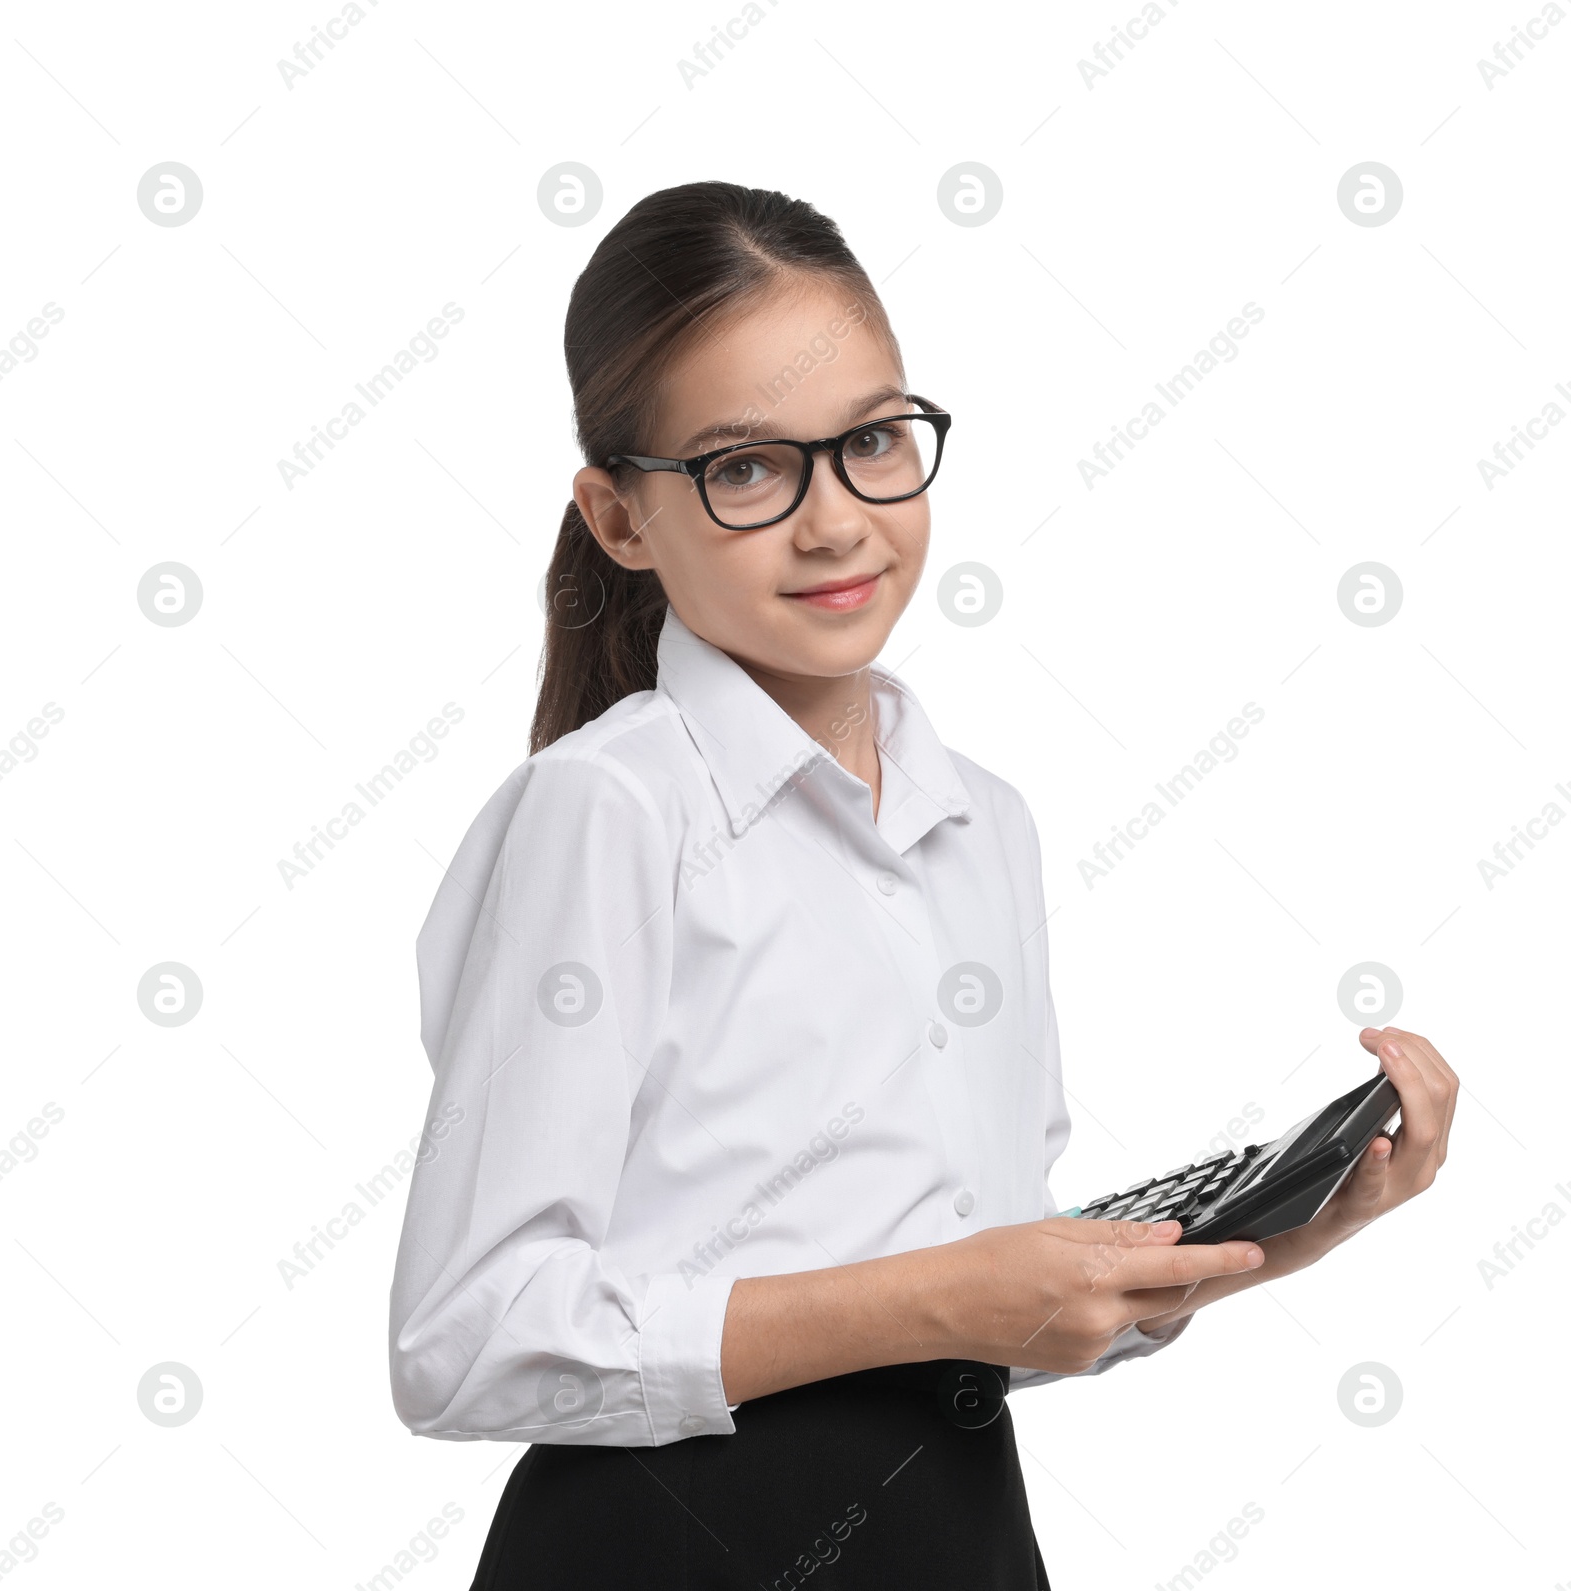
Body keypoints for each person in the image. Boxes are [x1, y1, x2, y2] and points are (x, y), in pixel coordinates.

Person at [386, 180, 1459, 1590]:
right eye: (748, 468)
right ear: (620, 517)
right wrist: (944, 1295)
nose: (836, 524)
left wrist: (1270, 1236)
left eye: (874, 443)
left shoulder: (984, 827)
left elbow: (973, 1302)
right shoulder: (608, 810)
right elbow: (466, 1338)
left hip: (955, 1538)